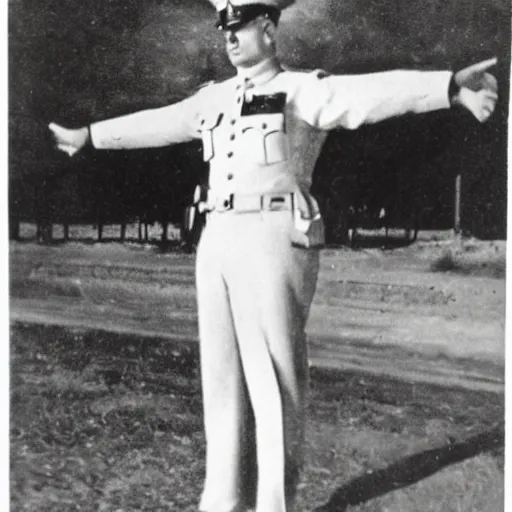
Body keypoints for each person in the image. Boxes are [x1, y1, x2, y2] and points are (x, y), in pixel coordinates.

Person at [48, 1, 498, 510]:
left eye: (238, 26)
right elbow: (161, 123)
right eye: (224, 27)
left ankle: (274, 504)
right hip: (216, 236)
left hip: (273, 234)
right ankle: (222, 501)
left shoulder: (303, 89)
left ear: (267, 28)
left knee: (272, 378)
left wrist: (447, 87)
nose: (229, 36)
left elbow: (369, 95)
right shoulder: (213, 99)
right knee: (220, 377)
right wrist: (90, 137)